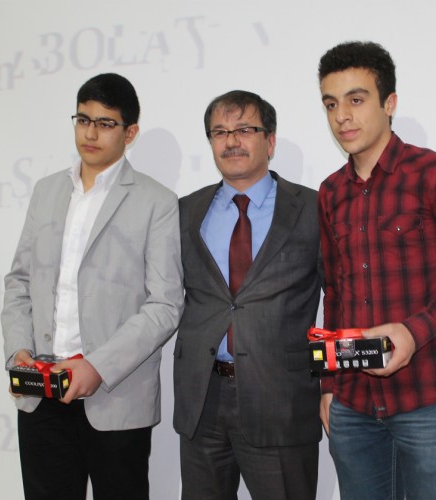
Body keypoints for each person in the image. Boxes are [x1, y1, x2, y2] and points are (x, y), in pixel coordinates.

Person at [317, 41, 436, 499]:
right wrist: (329, 384)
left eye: (356, 100)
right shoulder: (330, 192)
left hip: (429, 399)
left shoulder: (435, 174)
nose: (342, 116)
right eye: (331, 104)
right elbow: (334, 291)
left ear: (389, 103)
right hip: (352, 404)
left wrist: (414, 332)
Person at [1, 73, 184, 500]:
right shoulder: (46, 191)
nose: (90, 133)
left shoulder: (156, 201)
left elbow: (165, 304)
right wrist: (18, 351)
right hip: (40, 394)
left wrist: (97, 366)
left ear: (130, 133)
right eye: (83, 119)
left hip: (116, 399)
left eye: (105, 123)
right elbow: (19, 282)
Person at [173, 90, 323, 500]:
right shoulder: (185, 211)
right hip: (202, 399)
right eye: (219, 132)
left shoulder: (312, 208)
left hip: (282, 399)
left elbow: (341, 299)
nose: (231, 141)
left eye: (244, 129)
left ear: (269, 141)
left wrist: (333, 386)